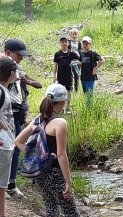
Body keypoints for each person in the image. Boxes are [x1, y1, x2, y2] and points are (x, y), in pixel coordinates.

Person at [14, 83, 80, 216]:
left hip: (40, 173)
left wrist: (35, 159)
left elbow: (18, 141)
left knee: (51, 210)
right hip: (56, 174)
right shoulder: (60, 123)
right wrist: (68, 181)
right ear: (62, 102)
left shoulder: (37, 120)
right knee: (71, 213)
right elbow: (61, 155)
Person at [4, 38, 42, 198]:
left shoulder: (18, 70)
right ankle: (3, 185)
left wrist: (27, 80)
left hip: (18, 112)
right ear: (8, 53)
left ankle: (11, 184)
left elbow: (37, 84)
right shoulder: (3, 71)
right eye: (19, 55)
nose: (21, 59)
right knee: (4, 149)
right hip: (5, 114)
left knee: (15, 149)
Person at [0, 57, 17, 217]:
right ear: (12, 74)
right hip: (2, 144)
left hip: (6, 143)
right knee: (1, 187)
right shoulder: (0, 91)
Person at [53, 36, 79, 114]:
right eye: (62, 42)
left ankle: (68, 108)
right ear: (60, 43)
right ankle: (61, 108)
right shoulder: (57, 54)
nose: (64, 43)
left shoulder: (71, 53)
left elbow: (79, 58)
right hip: (60, 76)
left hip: (69, 76)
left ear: (68, 43)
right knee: (60, 92)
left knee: (68, 92)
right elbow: (55, 65)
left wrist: (74, 62)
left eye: (65, 42)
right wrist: (54, 76)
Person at [68, 28, 82, 92]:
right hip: (69, 61)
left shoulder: (80, 43)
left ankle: (76, 90)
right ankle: (70, 89)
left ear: (78, 35)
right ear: (70, 35)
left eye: (75, 34)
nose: (74, 36)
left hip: (77, 62)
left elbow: (82, 52)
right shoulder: (68, 42)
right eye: (73, 34)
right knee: (69, 76)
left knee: (77, 76)